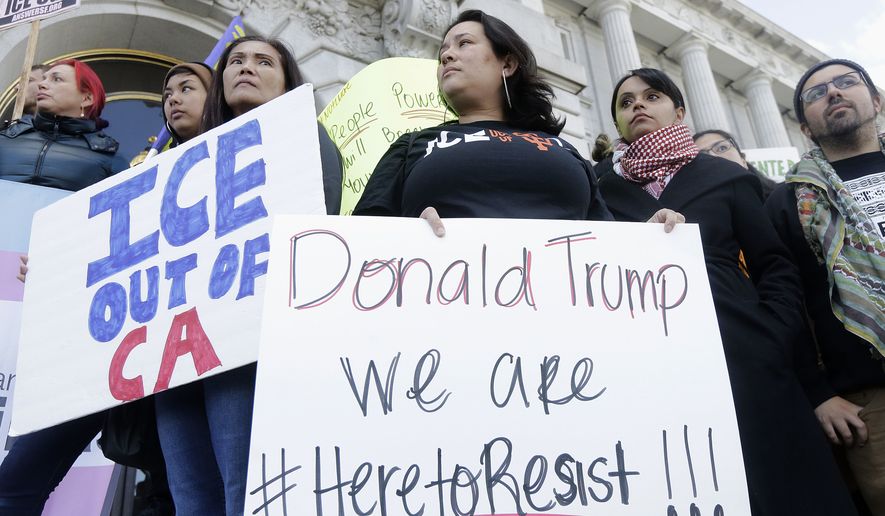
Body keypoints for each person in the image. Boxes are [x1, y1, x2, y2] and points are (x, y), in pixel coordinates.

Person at [598, 67, 858, 515]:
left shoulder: (722, 174)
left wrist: (771, 332)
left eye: (652, 96)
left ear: (679, 111)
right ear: (618, 123)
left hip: (746, 352)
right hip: (652, 366)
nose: (638, 104)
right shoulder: (599, 186)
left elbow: (773, 264)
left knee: (783, 486)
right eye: (626, 102)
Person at [153, 36, 341, 516]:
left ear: (288, 80)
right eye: (236, 61)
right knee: (191, 496)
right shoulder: (179, 161)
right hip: (173, 353)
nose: (246, 68)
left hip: (246, 343)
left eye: (263, 61)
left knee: (245, 489)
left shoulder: (305, 138)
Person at [0, 59, 129, 516]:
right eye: (41, 77)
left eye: (56, 79)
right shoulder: (4, 140)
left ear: (88, 98)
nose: (41, 83)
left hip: (53, 320)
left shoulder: (111, 164)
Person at [354, 9, 613, 225]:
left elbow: (613, 240)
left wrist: (650, 236)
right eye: (442, 52)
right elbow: (363, 234)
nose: (446, 55)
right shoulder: (410, 146)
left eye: (464, 43)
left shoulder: (565, 149)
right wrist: (408, 234)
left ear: (507, 64)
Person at [765, 58, 885, 515]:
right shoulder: (788, 201)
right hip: (871, 398)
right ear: (806, 129)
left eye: (846, 83)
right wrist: (818, 394)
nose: (832, 93)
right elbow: (785, 302)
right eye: (816, 94)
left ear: (875, 101)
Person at [693, 128, 778, 199]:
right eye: (702, 156)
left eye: (722, 148)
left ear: (743, 160)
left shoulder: (785, 197)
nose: (713, 156)